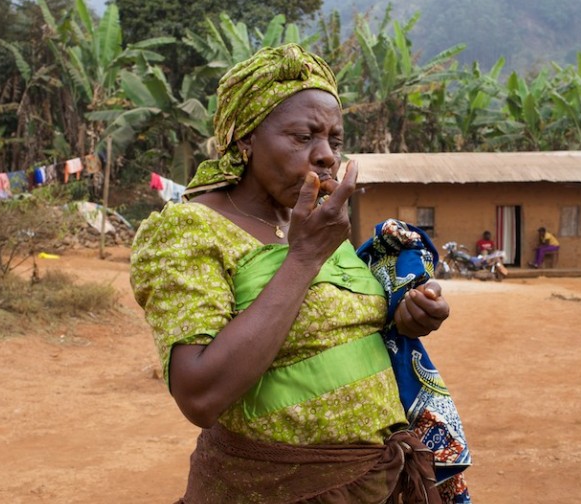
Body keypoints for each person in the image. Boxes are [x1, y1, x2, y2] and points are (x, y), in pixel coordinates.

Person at [130, 44, 455, 503]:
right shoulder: (188, 230)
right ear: (245, 140)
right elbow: (199, 394)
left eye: (334, 142)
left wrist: (405, 317)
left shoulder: (310, 219)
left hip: (375, 482)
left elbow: (335, 328)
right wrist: (303, 258)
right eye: (303, 137)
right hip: (271, 489)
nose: (325, 156)